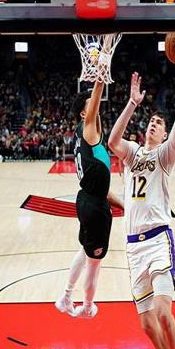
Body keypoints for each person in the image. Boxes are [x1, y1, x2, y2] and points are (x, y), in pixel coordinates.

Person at [108, 33, 175, 349]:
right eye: (152, 121)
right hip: (133, 248)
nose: (154, 125)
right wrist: (132, 103)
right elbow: (113, 141)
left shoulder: (164, 155)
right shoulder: (132, 154)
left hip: (159, 239)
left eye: (159, 124)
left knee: (163, 312)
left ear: (163, 135)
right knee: (146, 325)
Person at [55, 72, 123, 318]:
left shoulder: (90, 137)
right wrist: (101, 73)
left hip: (89, 199)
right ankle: (86, 306)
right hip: (94, 207)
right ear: (84, 114)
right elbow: (95, 103)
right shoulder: (87, 130)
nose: (96, 107)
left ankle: (65, 297)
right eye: (91, 106)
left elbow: (102, 189)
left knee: (85, 253)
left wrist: (124, 204)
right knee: (94, 264)